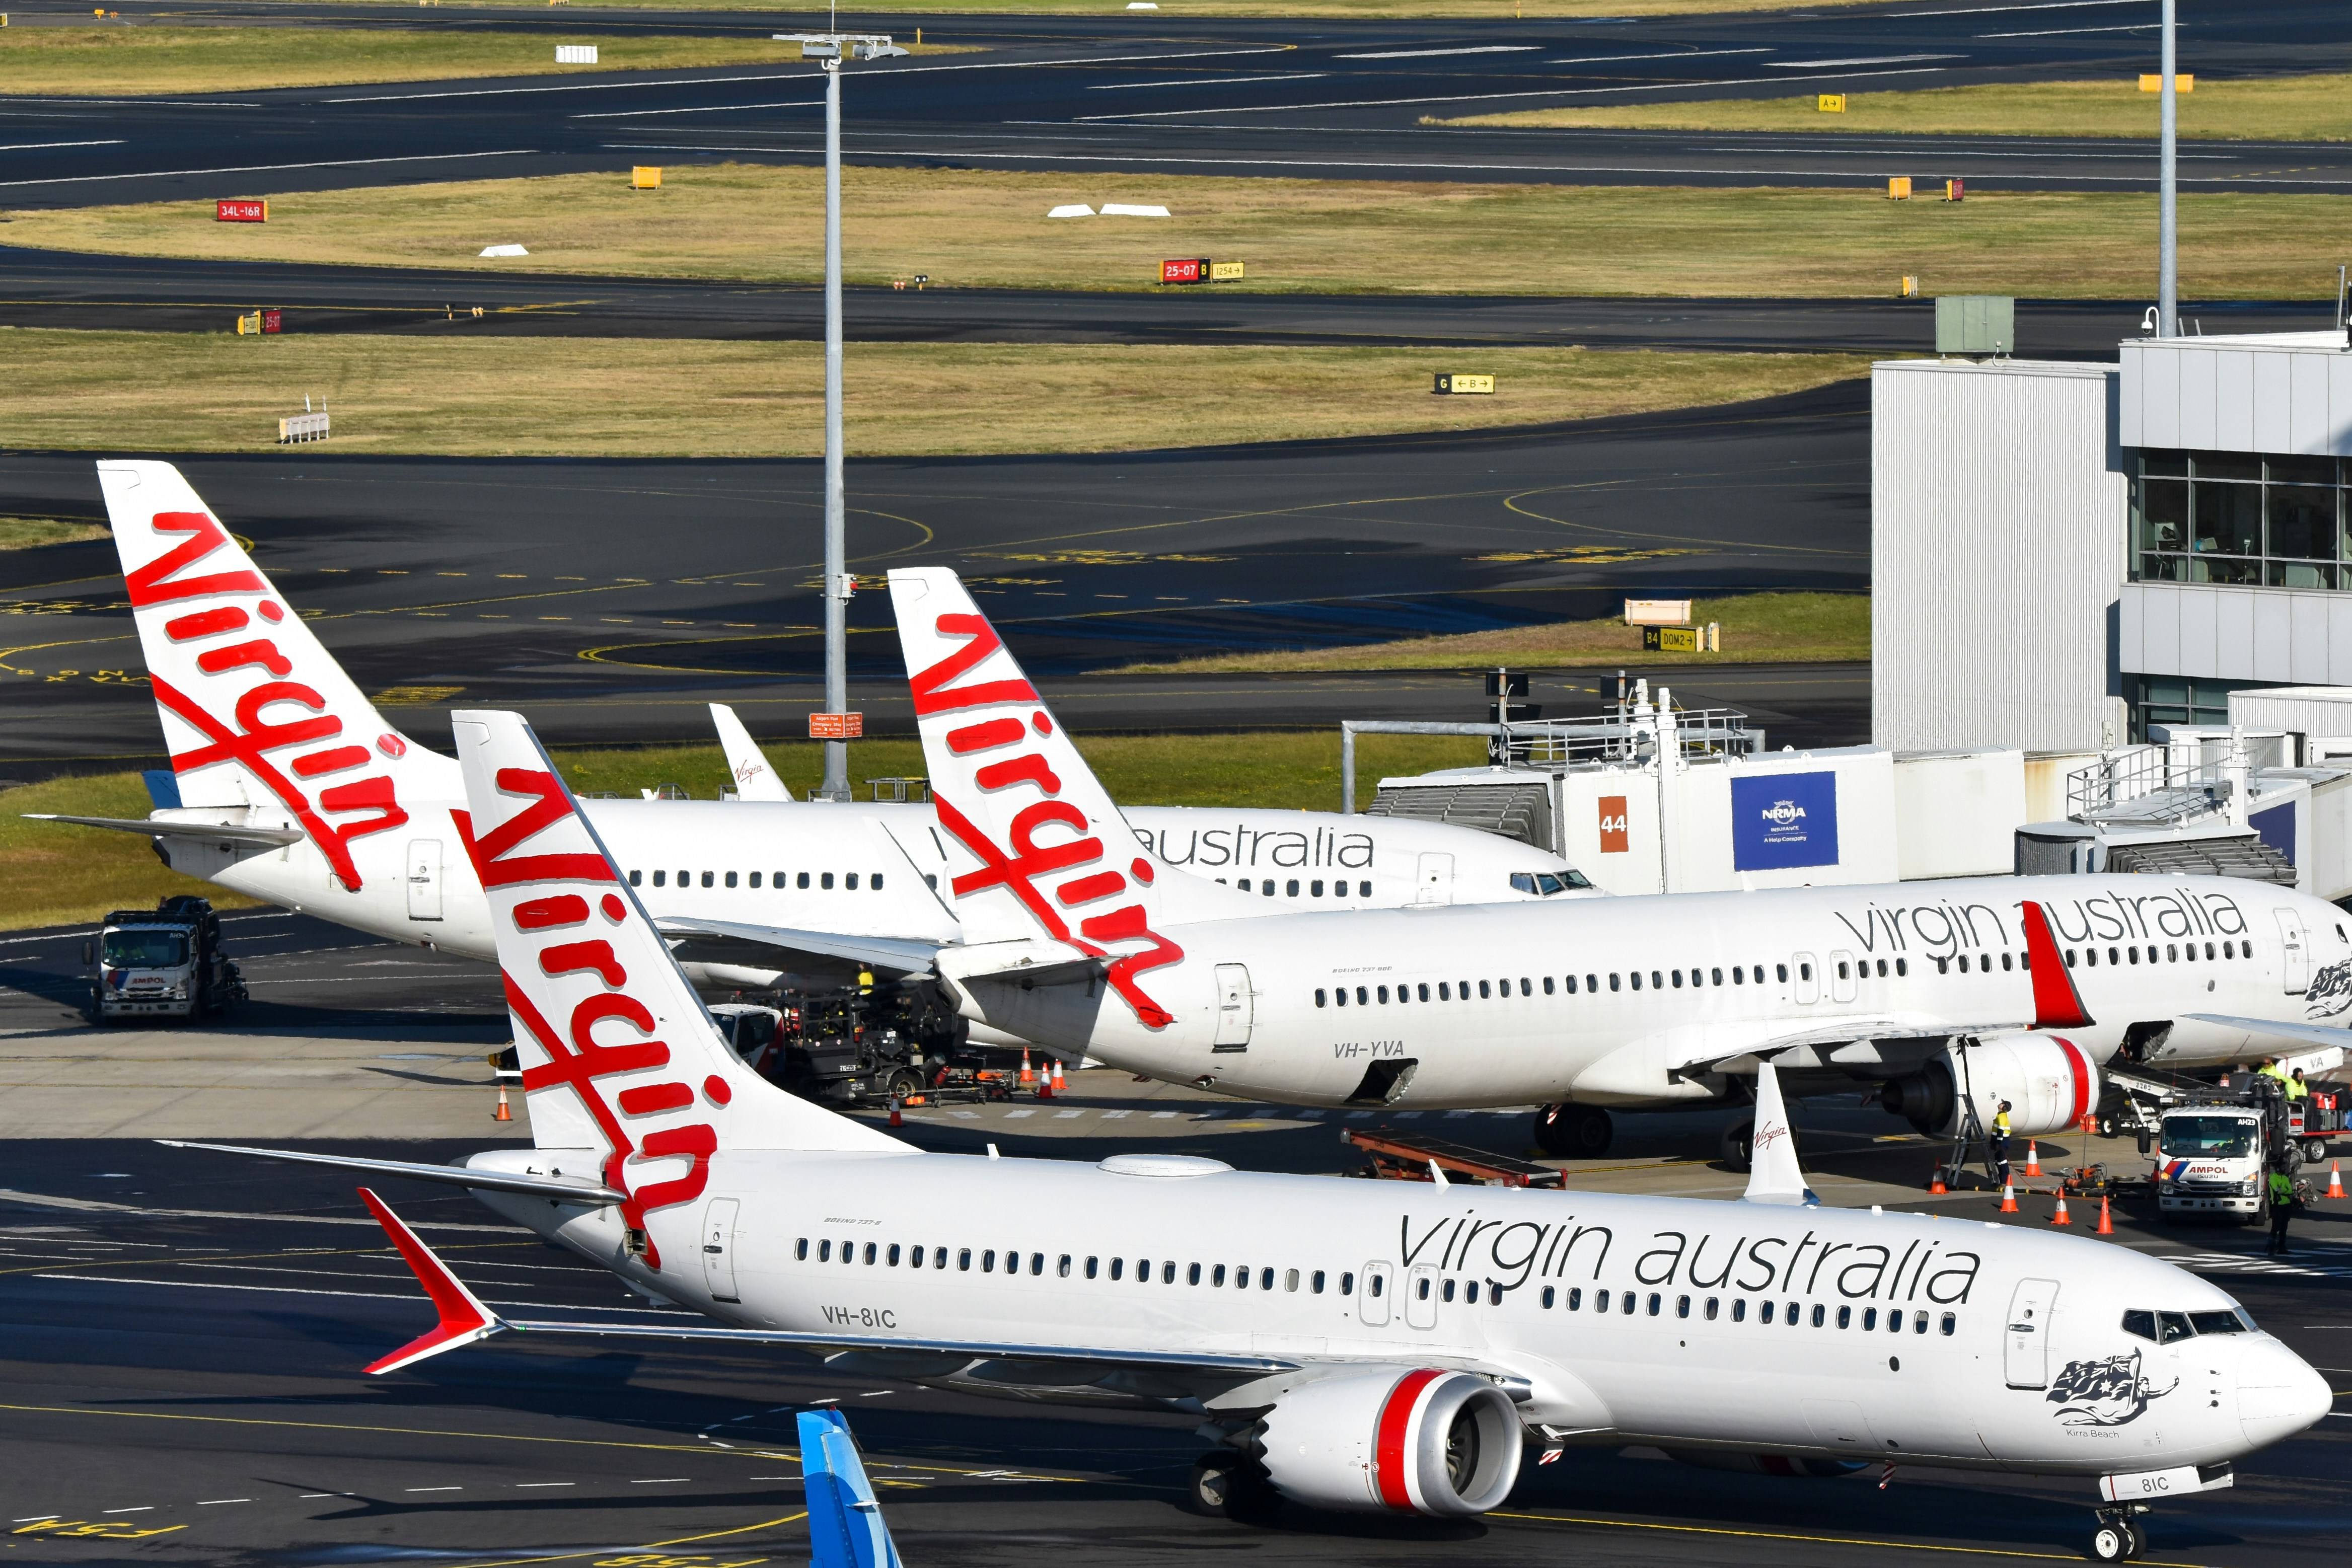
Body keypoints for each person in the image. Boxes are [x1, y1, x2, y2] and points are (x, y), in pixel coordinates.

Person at [2266, 1158, 2298, 1256]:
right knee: (2275, 1227)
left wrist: (2284, 1190)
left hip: (2286, 1206)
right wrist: (2285, 1190)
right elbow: (2277, 1190)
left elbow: (2290, 1190)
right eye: (2283, 1167)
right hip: (2277, 1206)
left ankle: (2282, 1247)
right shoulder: (2273, 1178)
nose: (2285, 1169)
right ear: (2278, 1168)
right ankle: (2271, 1248)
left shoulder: (2285, 1178)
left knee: (2284, 1229)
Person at [1991, 1099, 2014, 1187]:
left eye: (2002, 1103)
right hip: (2000, 1141)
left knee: (2002, 1161)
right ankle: (2002, 1180)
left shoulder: (2002, 1117)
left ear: (2004, 1107)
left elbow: (2000, 1131)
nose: (2000, 1104)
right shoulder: (2000, 1116)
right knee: (1999, 1161)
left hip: (2002, 1141)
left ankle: (2005, 1181)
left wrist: (1998, 1144)